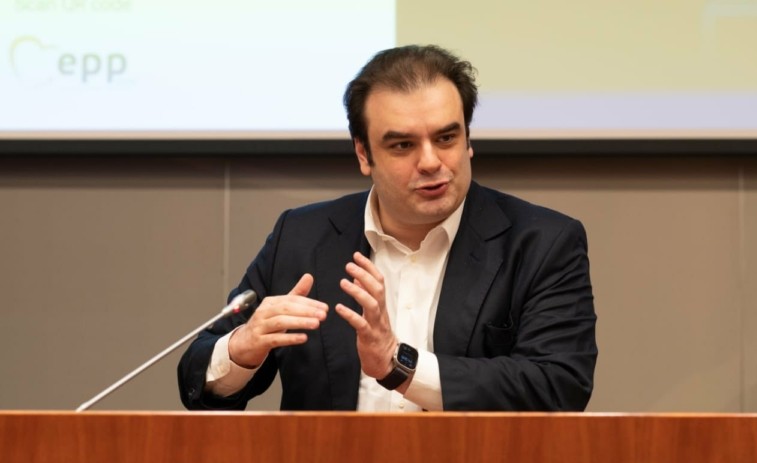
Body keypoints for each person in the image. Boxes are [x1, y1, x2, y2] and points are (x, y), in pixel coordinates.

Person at [177, 44, 597, 412]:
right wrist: (242, 349)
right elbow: (197, 380)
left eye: (446, 138)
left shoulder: (541, 243)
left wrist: (400, 365)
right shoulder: (303, 237)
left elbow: (559, 385)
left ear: (468, 140)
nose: (430, 162)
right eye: (403, 145)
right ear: (364, 154)